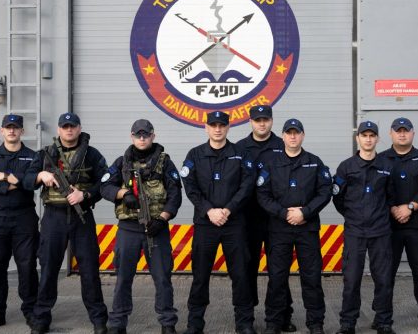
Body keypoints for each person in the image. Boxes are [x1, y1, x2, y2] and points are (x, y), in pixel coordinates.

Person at [24, 112, 108, 334]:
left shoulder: (92, 154)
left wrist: (85, 195)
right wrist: (41, 175)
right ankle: (41, 318)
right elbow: (27, 180)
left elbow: (105, 183)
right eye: (65, 126)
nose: (69, 130)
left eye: (73, 126)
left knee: (89, 269)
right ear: (59, 129)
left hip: (82, 218)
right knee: (49, 268)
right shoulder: (45, 154)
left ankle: (98, 319)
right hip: (54, 217)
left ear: (79, 128)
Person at [101, 119, 183, 334]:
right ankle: (118, 323)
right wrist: (123, 193)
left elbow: (175, 195)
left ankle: (167, 323)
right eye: (138, 135)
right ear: (132, 137)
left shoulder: (165, 162)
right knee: (123, 278)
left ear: (153, 136)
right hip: (128, 229)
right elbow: (104, 186)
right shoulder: (122, 163)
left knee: (163, 278)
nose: (142, 138)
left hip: (157, 229)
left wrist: (162, 219)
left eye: (146, 134)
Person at [181, 111, 256, 334]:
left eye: (221, 125)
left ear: (228, 127)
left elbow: (247, 185)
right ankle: (195, 323)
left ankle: (244, 323)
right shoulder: (195, 155)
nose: (217, 129)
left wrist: (228, 209)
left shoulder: (240, 154)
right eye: (213, 125)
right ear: (206, 127)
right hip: (206, 224)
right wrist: (209, 210)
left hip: (234, 223)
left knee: (241, 274)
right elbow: (191, 188)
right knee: (200, 275)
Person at [256, 118, 332, 334]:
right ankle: (274, 323)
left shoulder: (314, 162)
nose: (292, 136)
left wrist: (305, 212)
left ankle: (315, 324)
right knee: (277, 278)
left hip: (307, 228)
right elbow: (262, 194)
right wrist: (284, 213)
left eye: (296, 132)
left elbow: (325, 191)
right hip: (279, 229)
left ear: (303, 135)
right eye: (289, 133)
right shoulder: (271, 164)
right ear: (283, 136)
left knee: (312, 277)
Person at [235, 105, 296, 332]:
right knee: (246, 268)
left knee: (279, 270)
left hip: (276, 218)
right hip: (248, 218)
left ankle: (283, 315)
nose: (262, 124)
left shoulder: (283, 145)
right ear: (250, 122)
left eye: (266, 120)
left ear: (271, 121)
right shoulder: (240, 148)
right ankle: (246, 318)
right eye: (257, 120)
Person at [333, 121, 395, 334]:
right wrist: (353, 215)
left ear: (377, 138)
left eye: (372, 136)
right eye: (364, 135)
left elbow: (392, 196)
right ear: (357, 138)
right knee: (351, 280)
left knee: (383, 279)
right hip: (355, 231)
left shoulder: (387, 166)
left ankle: (384, 321)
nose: (368, 139)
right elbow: (338, 198)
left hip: (381, 231)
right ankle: (348, 323)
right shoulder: (346, 167)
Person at [0, 114, 39, 330]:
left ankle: (31, 312)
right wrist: (13, 181)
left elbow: (32, 183)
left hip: (24, 218)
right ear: (1, 131)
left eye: (16, 127)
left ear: (22, 131)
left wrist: (2, 176)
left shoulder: (33, 157)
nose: (12, 131)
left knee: (27, 266)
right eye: (8, 127)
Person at [380, 117, 418, 330]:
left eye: (406, 130)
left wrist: (410, 207)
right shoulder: (381, 159)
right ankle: (382, 317)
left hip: (417, 226)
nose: (402, 134)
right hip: (388, 227)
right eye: (398, 130)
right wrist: (393, 208)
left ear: (413, 133)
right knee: (385, 275)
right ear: (391, 133)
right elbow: (377, 189)